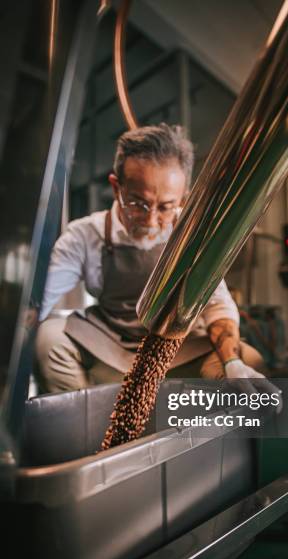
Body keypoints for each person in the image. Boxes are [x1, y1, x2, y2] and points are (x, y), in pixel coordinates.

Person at [35, 124, 268, 393]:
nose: (151, 219)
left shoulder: (193, 237)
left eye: (166, 207)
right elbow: (40, 299)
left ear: (183, 198)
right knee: (48, 338)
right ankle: (83, 428)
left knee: (250, 360)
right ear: (116, 187)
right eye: (138, 203)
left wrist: (232, 362)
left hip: (177, 347)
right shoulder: (84, 235)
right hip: (109, 345)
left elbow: (217, 305)